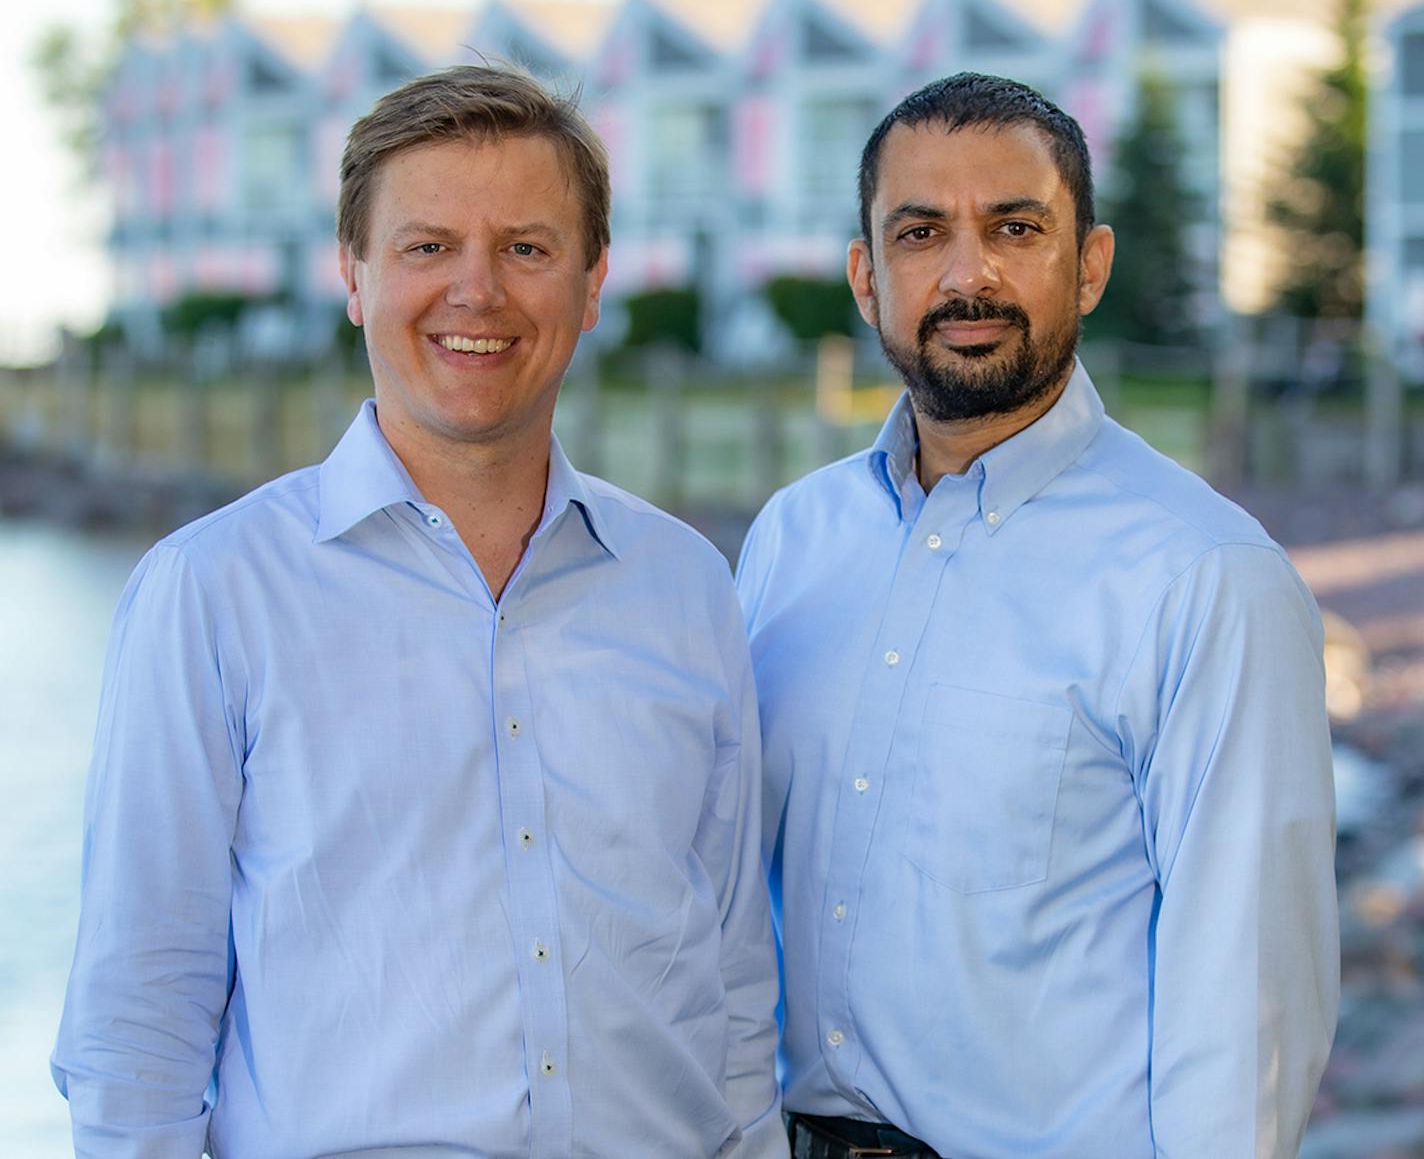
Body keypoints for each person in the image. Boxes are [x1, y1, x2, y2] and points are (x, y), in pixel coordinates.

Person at [53, 65, 785, 1159]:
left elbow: (729, 983)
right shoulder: (210, 594)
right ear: (354, 275)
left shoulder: (686, 588)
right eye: (426, 246)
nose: (476, 292)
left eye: (526, 249)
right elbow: (137, 1026)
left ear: (591, 286)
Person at [736, 72, 1338, 1159]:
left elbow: (1246, 1003)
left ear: (1089, 264)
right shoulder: (790, 541)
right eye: (920, 233)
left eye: (1014, 227)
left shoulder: (1202, 576)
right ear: (866, 278)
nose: (968, 275)